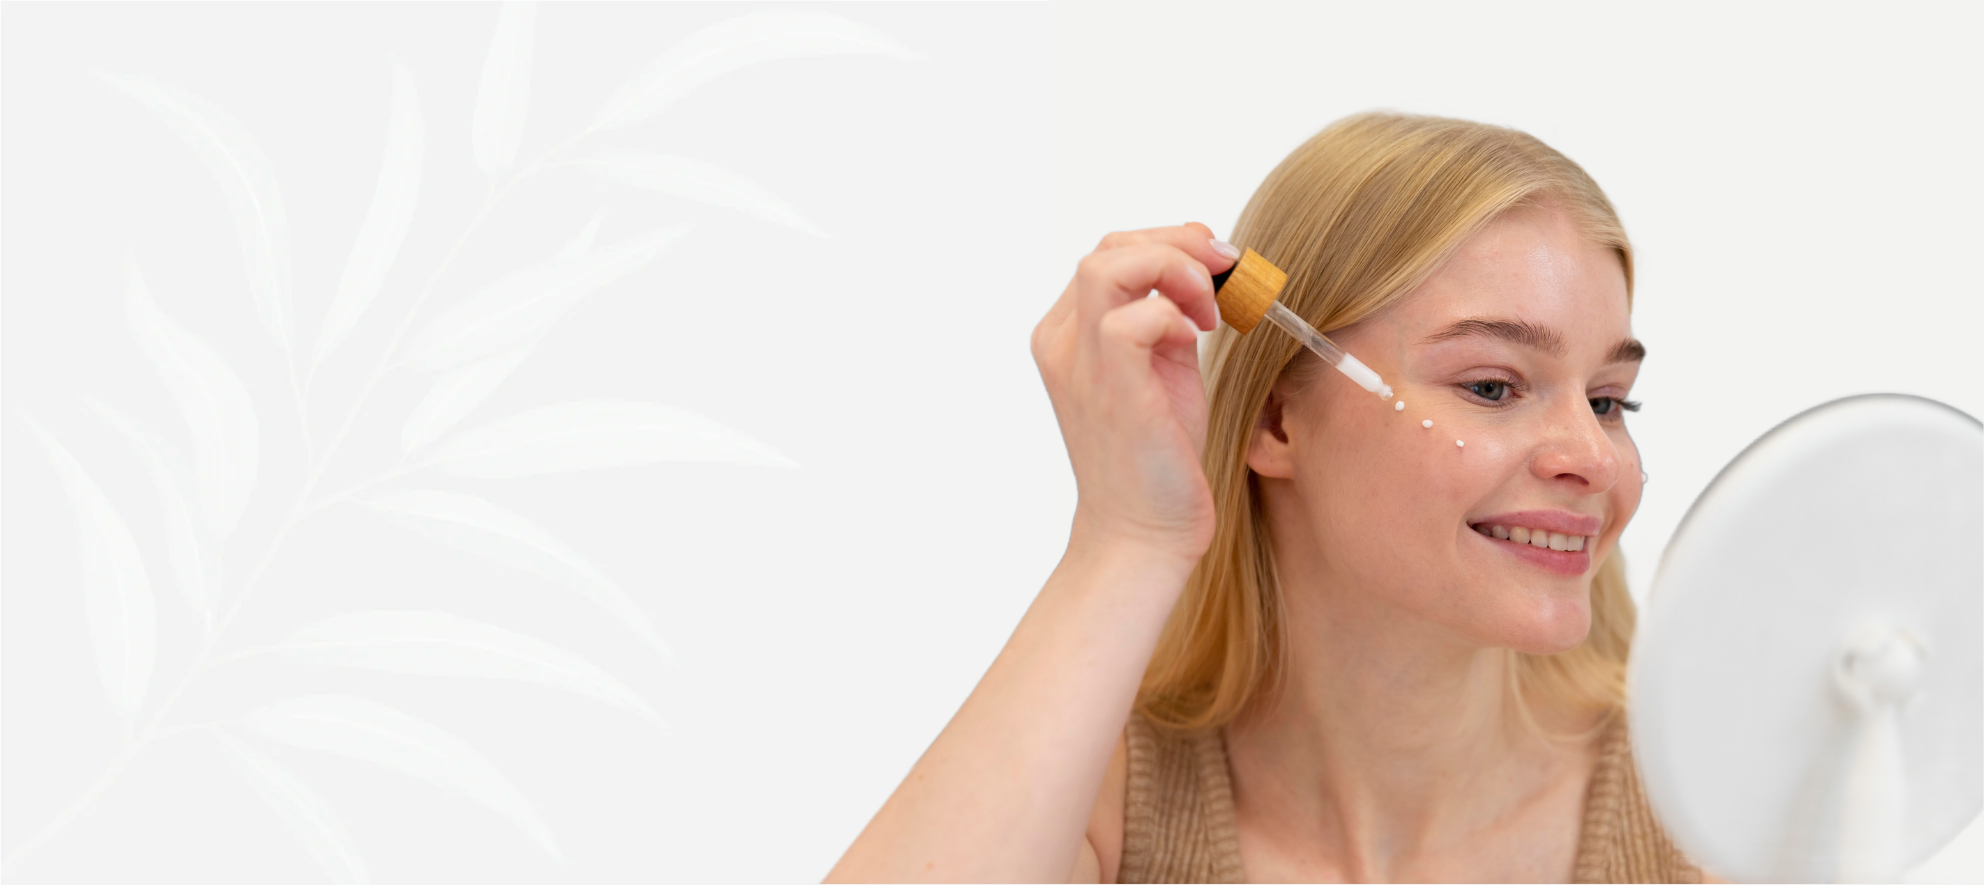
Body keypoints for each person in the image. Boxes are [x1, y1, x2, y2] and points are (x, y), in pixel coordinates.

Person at [826, 111, 1703, 883]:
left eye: (1608, 401)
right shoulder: (1098, 807)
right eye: (1492, 386)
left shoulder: (1713, 806)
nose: (1595, 458)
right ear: (1277, 419)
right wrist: (1126, 537)